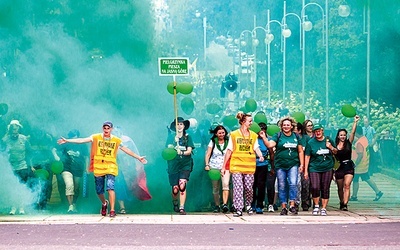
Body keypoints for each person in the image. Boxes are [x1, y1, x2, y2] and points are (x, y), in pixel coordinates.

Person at [57, 121, 147, 218]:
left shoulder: (116, 140)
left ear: (111, 129)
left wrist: (138, 157)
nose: (106, 130)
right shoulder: (96, 137)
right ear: (102, 129)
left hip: (111, 167)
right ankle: (104, 203)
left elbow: (126, 150)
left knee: (110, 188)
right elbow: (82, 140)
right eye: (105, 128)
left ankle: (112, 210)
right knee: (99, 191)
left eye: (108, 128)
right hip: (99, 167)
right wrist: (67, 140)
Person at [221, 112, 264, 217]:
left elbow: (256, 147)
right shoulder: (234, 134)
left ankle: (248, 204)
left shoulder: (253, 135)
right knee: (238, 187)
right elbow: (229, 150)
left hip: (249, 166)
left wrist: (260, 155)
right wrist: (223, 166)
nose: (251, 123)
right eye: (250, 121)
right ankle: (238, 208)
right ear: (243, 122)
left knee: (249, 187)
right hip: (236, 165)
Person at [260, 116, 304, 216]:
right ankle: (283, 206)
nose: (286, 127)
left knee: (293, 184)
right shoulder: (278, 135)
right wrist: (263, 137)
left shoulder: (296, 137)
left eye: (288, 125)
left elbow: (300, 151)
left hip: (293, 164)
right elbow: (270, 145)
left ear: (292, 126)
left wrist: (301, 164)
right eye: (284, 125)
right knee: (282, 185)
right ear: (281, 126)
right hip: (280, 165)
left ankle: (292, 205)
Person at [304, 124, 337, 216]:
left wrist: (330, 147)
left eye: (319, 130)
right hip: (314, 167)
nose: (318, 132)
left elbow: (336, 152)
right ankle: (316, 205)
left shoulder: (329, 140)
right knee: (315, 187)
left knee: (325, 188)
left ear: (322, 131)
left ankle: (324, 208)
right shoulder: (311, 143)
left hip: (327, 167)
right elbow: (307, 156)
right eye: (316, 131)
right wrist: (305, 170)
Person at [2, 120, 33, 215]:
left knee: (22, 186)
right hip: (10, 167)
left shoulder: (24, 139)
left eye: (16, 129)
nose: (14, 131)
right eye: (12, 129)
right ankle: (13, 206)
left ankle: (21, 207)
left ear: (19, 129)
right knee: (12, 187)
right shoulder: (5, 139)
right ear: (10, 130)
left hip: (22, 166)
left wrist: (30, 165)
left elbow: (29, 152)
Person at [54, 129, 89, 213]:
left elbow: (86, 157)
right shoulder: (65, 143)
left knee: (76, 187)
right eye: (73, 137)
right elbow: (54, 149)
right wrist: (56, 157)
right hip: (66, 168)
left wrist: (87, 168)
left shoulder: (82, 145)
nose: (75, 139)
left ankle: (74, 204)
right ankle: (70, 205)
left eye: (76, 137)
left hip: (78, 168)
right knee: (69, 185)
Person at [165, 117, 195, 215]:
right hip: (173, 164)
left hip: (185, 164)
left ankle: (182, 207)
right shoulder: (171, 137)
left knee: (182, 185)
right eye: (177, 124)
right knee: (175, 189)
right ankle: (175, 203)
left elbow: (189, 151)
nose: (179, 126)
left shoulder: (188, 137)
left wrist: (181, 152)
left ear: (184, 126)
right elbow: (167, 151)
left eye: (181, 124)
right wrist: (173, 146)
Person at [350, 126, 383, 202]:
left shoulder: (359, 143)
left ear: (356, 133)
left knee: (360, 179)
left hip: (359, 166)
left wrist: (355, 164)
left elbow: (360, 155)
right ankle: (354, 195)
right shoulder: (364, 139)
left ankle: (378, 192)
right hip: (364, 164)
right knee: (362, 179)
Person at [334, 115, 360, 211]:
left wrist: (355, 122)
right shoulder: (334, 145)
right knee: (340, 187)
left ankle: (345, 204)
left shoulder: (349, 143)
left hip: (348, 166)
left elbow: (353, 132)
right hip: (339, 167)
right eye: (341, 135)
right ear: (338, 136)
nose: (343, 137)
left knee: (347, 185)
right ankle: (341, 202)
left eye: (344, 135)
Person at [204, 125, 230, 213]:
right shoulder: (212, 142)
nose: (221, 134)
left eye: (223, 133)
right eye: (219, 133)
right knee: (215, 187)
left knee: (225, 184)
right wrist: (207, 164)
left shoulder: (229, 141)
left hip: (225, 166)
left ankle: (225, 204)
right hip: (214, 167)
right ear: (216, 134)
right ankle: (217, 205)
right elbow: (208, 154)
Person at [252, 122, 275, 214]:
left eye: (263, 129)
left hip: (263, 164)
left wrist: (272, 167)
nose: (261, 131)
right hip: (252, 164)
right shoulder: (253, 138)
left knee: (261, 185)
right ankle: (251, 204)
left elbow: (271, 153)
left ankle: (259, 205)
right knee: (252, 185)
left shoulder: (267, 140)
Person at [300, 119, 313, 210]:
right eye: (308, 125)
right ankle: (305, 202)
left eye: (311, 125)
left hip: (313, 163)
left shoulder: (316, 136)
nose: (311, 127)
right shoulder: (302, 138)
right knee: (305, 184)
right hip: (303, 164)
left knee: (314, 185)